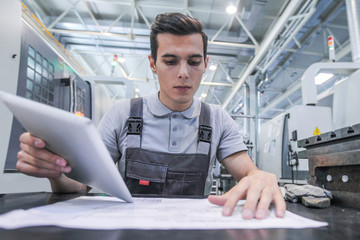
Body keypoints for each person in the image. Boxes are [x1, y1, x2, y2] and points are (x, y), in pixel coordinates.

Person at [16, 12, 285, 220]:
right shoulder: (122, 114)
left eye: (193, 61)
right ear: (153, 64)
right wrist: (56, 173)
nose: (183, 73)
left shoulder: (218, 120)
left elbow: (248, 173)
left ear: (205, 64)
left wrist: (261, 177)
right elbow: (81, 185)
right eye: (170, 61)